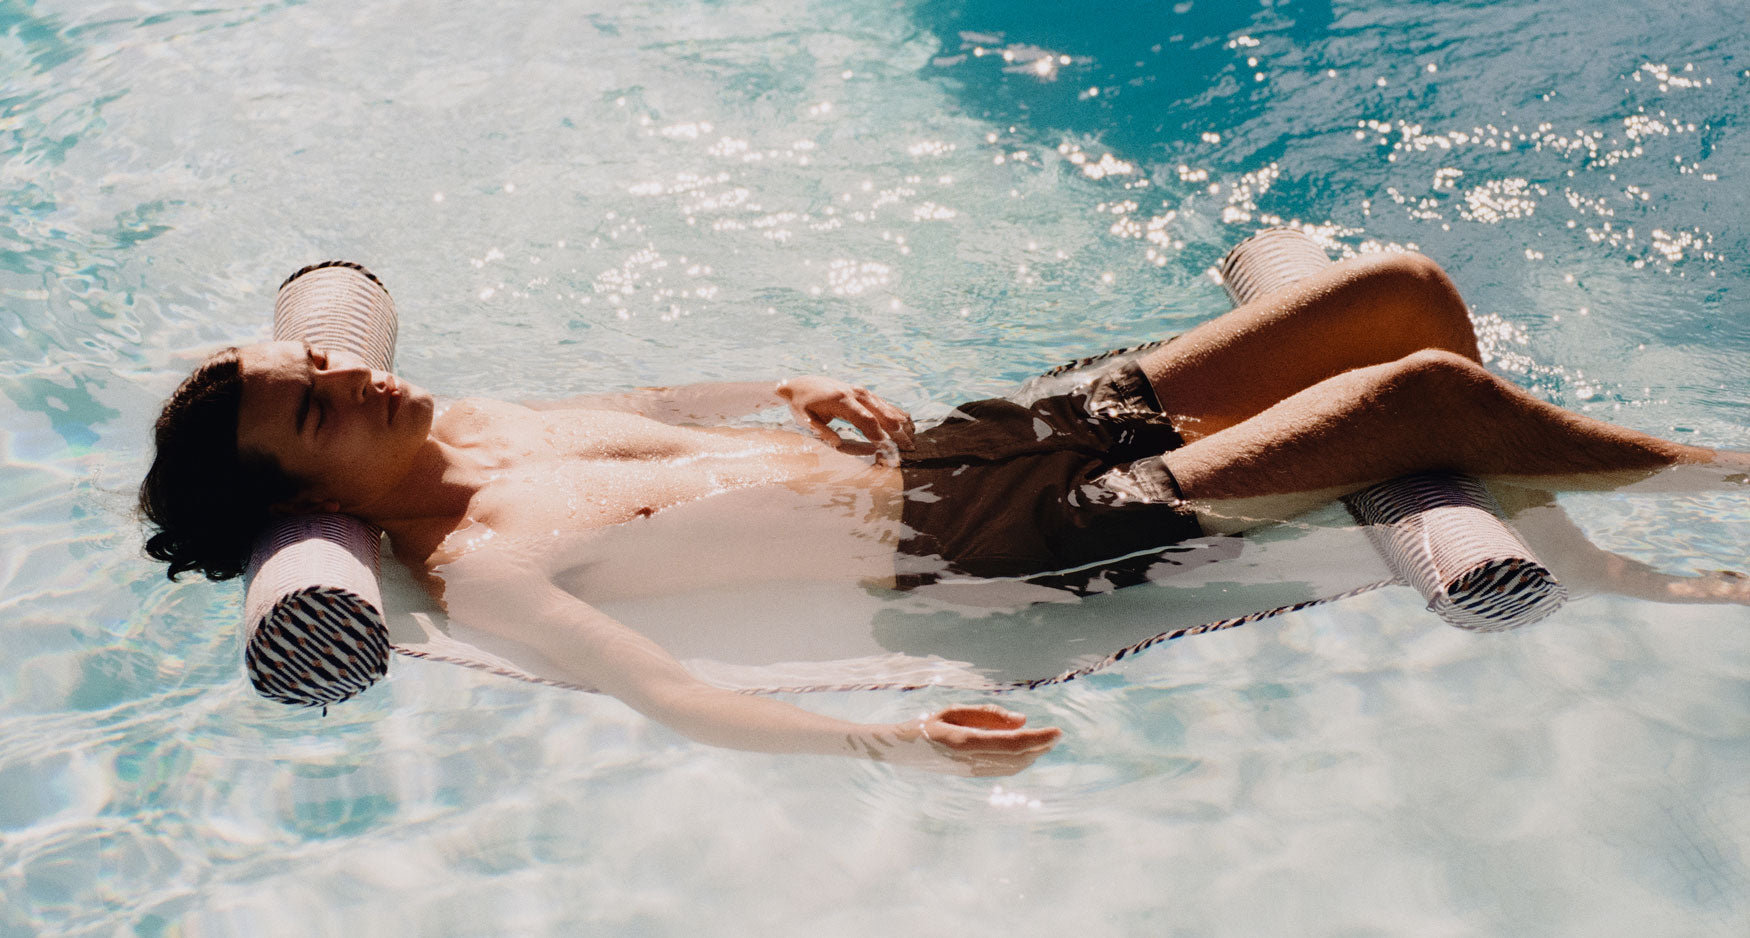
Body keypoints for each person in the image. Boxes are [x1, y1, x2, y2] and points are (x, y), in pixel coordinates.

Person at [139, 252, 1750, 775]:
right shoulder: (482, 563)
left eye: (325, 361)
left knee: (1393, 291)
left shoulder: (486, 421)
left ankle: (1568, 524)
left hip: (978, 440)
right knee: (1414, 400)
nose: (353, 376)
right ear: (300, 491)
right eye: (316, 405)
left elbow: (681, 411)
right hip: (1008, 540)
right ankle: (1713, 475)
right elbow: (670, 695)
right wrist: (893, 746)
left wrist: (793, 381)